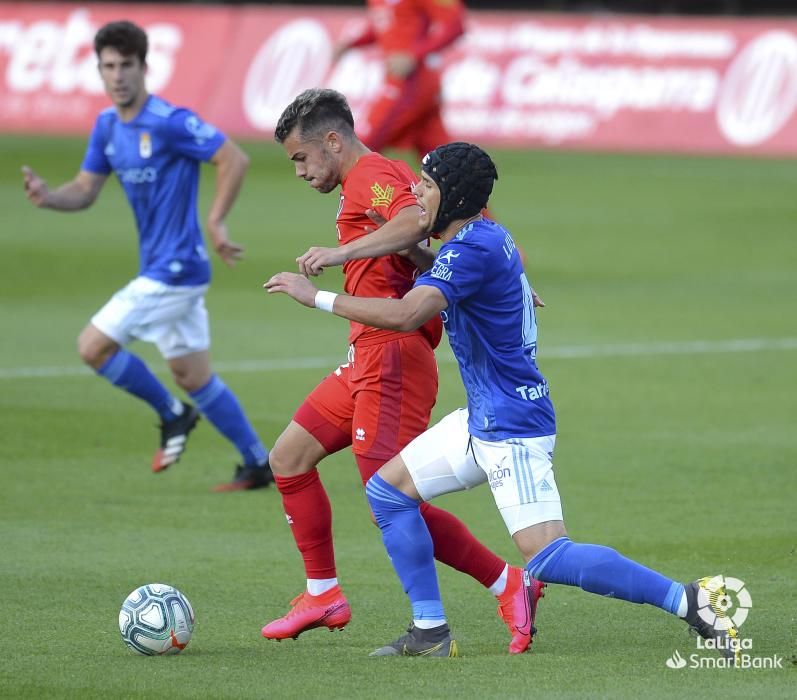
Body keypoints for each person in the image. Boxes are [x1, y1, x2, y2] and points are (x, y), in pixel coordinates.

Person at [265, 142, 743, 660]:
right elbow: (450, 269)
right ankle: (429, 631)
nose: (414, 194)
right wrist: (406, 249)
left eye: (425, 186)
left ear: (452, 198)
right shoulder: (480, 239)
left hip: (511, 426)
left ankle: (690, 600)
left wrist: (313, 296)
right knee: (387, 492)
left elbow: (407, 314)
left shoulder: (472, 250)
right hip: (482, 417)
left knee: (549, 555)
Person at [260, 88, 544, 655]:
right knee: (288, 457)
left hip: (392, 359)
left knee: (388, 497)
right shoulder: (367, 181)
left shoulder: (369, 174)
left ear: (333, 141)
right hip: (364, 357)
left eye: (300, 157)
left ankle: (501, 586)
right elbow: (425, 239)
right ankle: (323, 593)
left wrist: (339, 258)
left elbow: (417, 220)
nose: (298, 170)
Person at [21, 20, 272, 492]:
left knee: (91, 346)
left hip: (176, 270)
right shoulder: (107, 126)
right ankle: (258, 462)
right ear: (99, 70)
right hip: (161, 270)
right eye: (108, 67)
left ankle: (172, 414)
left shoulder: (169, 121)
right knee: (193, 375)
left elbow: (233, 157)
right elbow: (85, 189)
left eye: (126, 66)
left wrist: (216, 221)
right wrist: (49, 196)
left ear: (144, 67)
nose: (117, 76)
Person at [334, 0, 465, 157]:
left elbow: (456, 25)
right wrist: (352, 43)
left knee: (359, 148)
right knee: (441, 162)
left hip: (411, 82)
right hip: (411, 83)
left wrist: (414, 55)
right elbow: (386, 25)